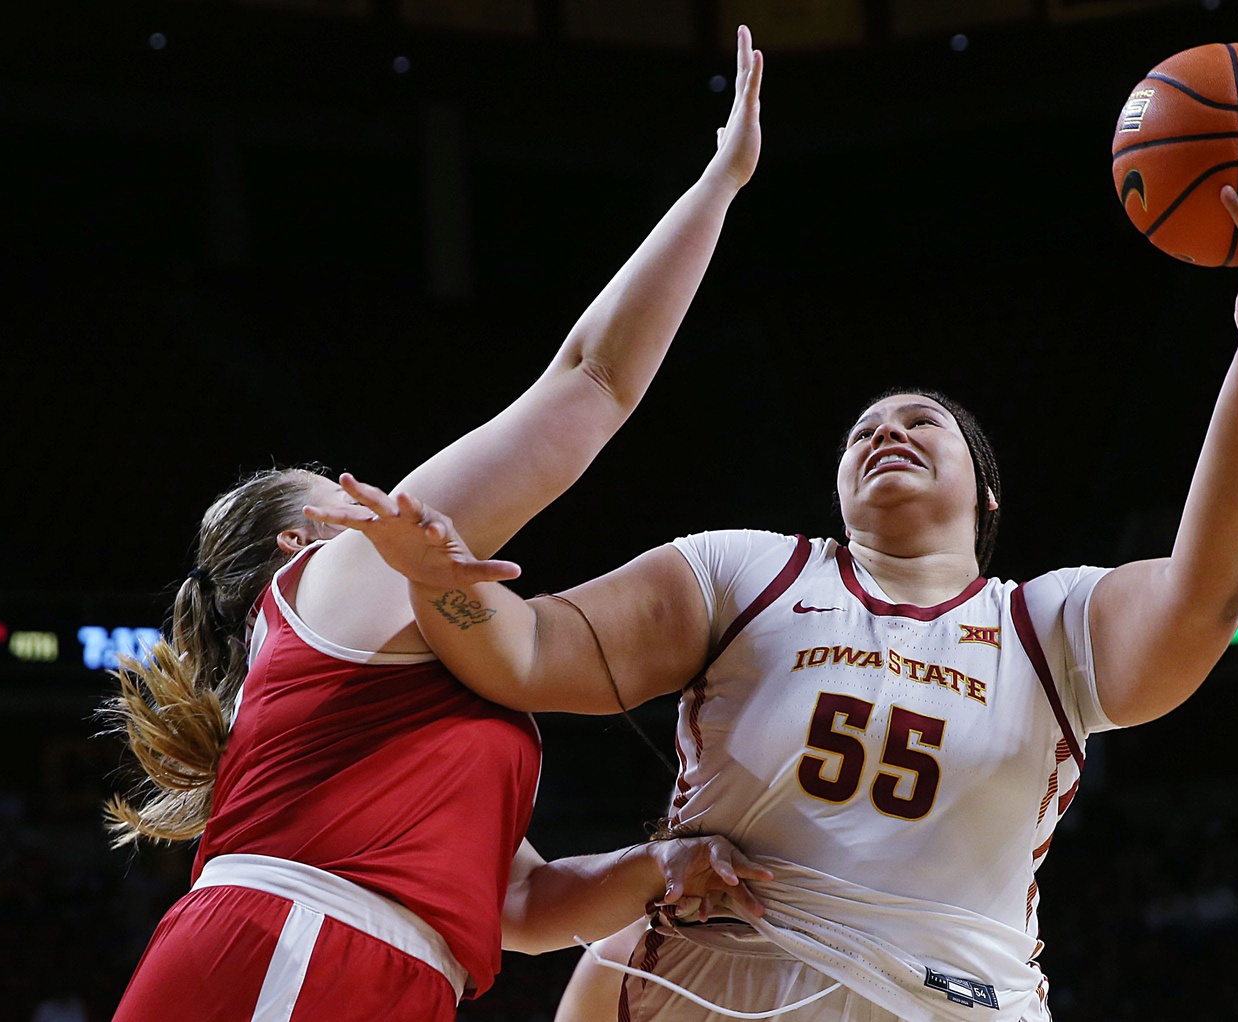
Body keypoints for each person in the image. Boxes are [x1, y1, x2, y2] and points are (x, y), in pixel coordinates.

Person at [316, 141, 1238, 1022]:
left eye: (920, 423)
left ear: (987, 495)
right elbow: (527, 649)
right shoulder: (745, 570)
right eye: (864, 430)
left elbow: (1215, 585)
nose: (886, 431)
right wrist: (434, 578)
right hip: (718, 986)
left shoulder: (1047, 623)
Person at [104, 27, 769, 1022]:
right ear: (297, 544)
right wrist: (717, 185)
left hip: (376, 968)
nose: (366, 487)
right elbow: (590, 382)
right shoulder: (338, 582)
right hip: (298, 948)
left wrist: (662, 862)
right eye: (329, 485)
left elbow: (523, 905)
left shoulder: (385, 685)